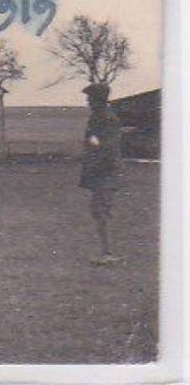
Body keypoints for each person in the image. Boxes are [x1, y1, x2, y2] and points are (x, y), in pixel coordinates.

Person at [79, 82, 123, 266]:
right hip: (98, 171)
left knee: (101, 211)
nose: (88, 101)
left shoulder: (107, 119)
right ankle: (106, 251)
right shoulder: (97, 118)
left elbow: (106, 147)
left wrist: (94, 157)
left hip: (105, 171)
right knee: (98, 211)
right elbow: (91, 141)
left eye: (90, 98)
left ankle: (109, 253)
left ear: (99, 99)